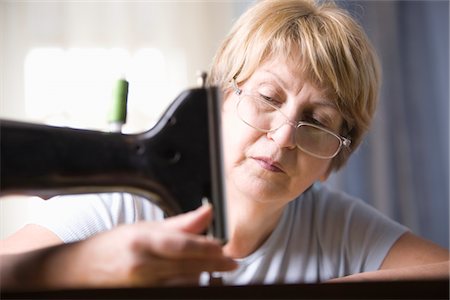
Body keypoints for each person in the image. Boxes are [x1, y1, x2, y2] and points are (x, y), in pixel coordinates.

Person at [1, 0, 448, 291]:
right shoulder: (122, 205)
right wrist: (89, 265)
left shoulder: (331, 223)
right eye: (268, 97)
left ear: (333, 161)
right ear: (216, 104)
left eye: (317, 121)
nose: (285, 135)